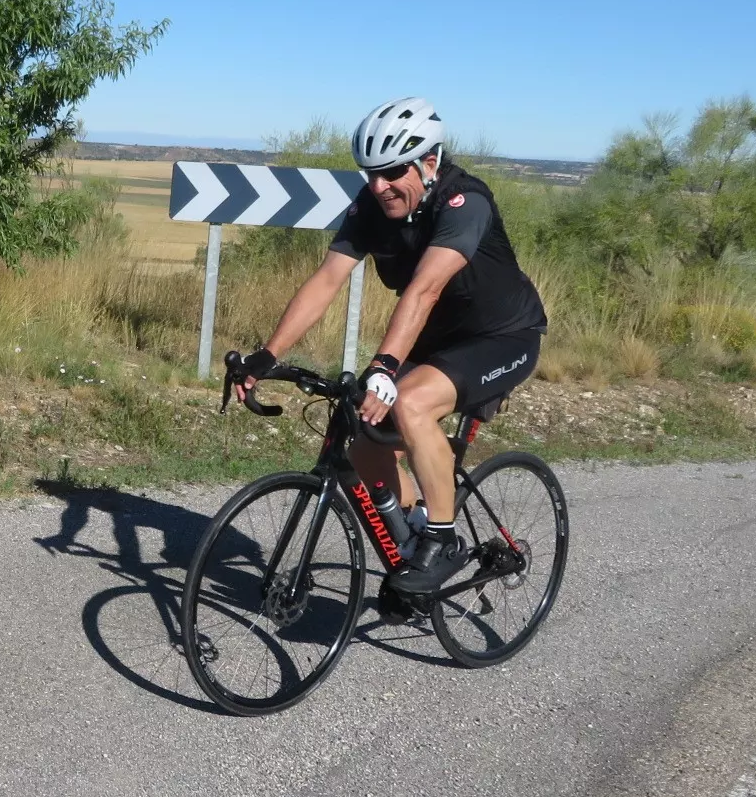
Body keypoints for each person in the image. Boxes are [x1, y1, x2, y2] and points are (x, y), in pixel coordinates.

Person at [234, 97, 547, 594]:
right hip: (438, 341)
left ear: (429, 163)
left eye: (392, 172)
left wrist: (383, 365)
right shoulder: (372, 208)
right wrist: (266, 356)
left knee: (412, 404)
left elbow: (424, 288)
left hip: (502, 337)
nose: (379, 186)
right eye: (369, 173)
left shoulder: (465, 203)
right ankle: (409, 548)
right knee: (363, 446)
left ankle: (441, 541)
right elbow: (326, 280)